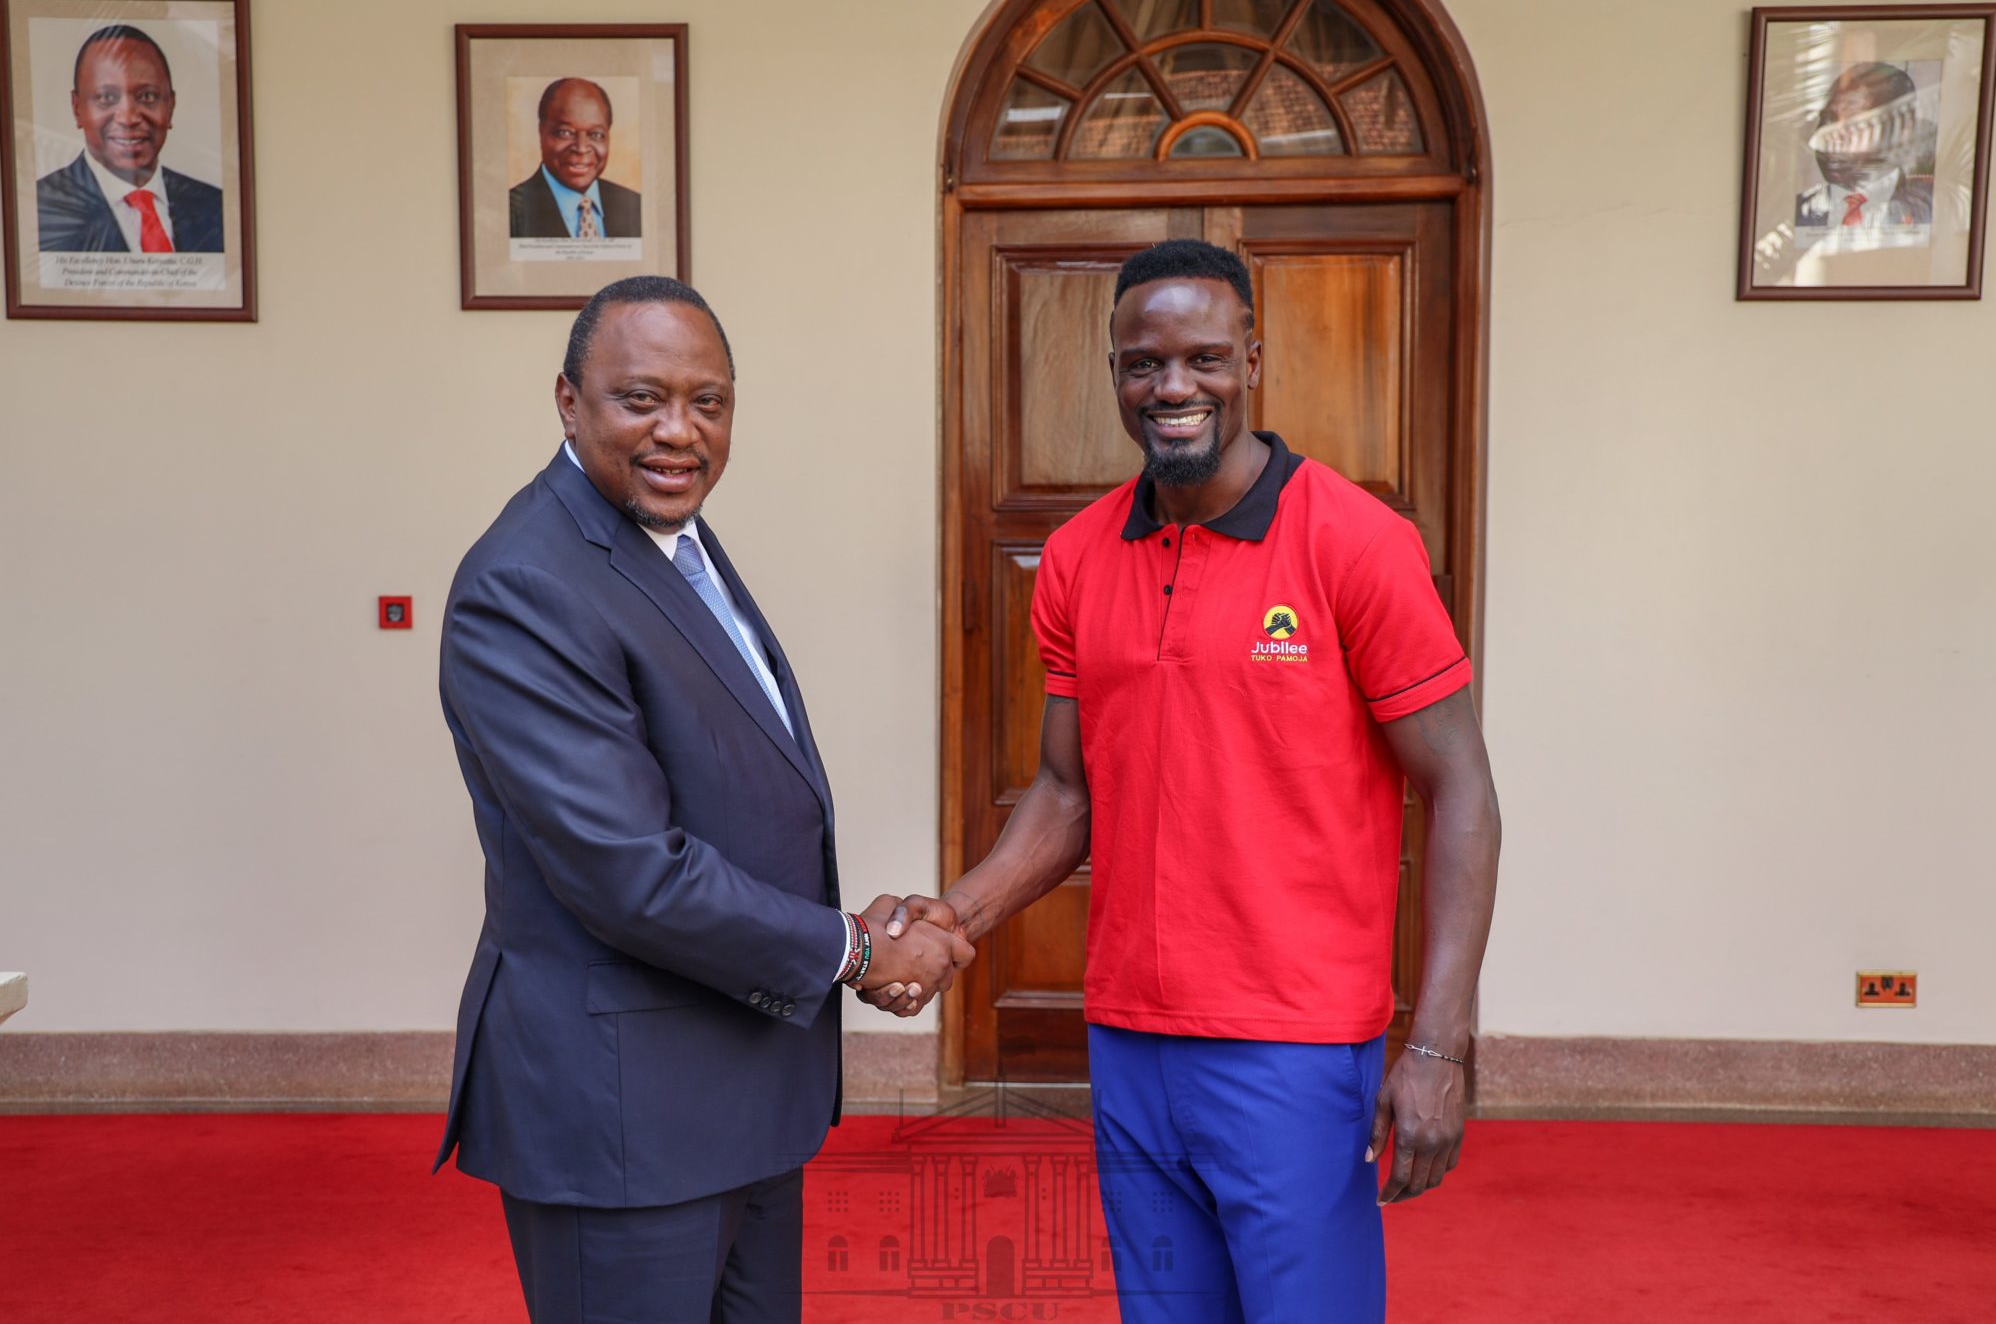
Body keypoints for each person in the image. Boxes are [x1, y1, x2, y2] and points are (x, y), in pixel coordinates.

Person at [873, 240, 1502, 1322]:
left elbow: (1462, 794)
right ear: (1113, 370)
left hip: (1291, 1042)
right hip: (1127, 1035)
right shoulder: (1074, 556)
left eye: (1203, 358)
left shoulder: (1355, 542)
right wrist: (953, 919)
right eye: (1142, 362)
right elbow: (1066, 792)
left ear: (1251, 359)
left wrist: (1438, 1040)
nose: (1172, 387)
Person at [434, 274, 973, 1324]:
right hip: (623, 1116)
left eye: (708, 401)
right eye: (641, 399)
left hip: (737, 1088)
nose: (679, 431)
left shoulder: (668, 534)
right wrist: (855, 951)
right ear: (567, 401)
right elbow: (628, 872)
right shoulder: (527, 581)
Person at [36, 24, 223, 254]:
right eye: (107, 97)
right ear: (77, 109)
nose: (129, 118)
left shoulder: (216, 207)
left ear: (170, 107)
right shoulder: (38, 209)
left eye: (147, 96)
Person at [1795, 62, 1934, 229]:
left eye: (1855, 121)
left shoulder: (1932, 205)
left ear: (1903, 128)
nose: (1834, 137)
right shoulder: (1800, 211)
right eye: (1830, 119)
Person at [510, 78, 642, 239]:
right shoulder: (510, 212)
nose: (581, 148)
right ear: (541, 132)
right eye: (565, 132)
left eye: (596, 134)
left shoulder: (635, 207)